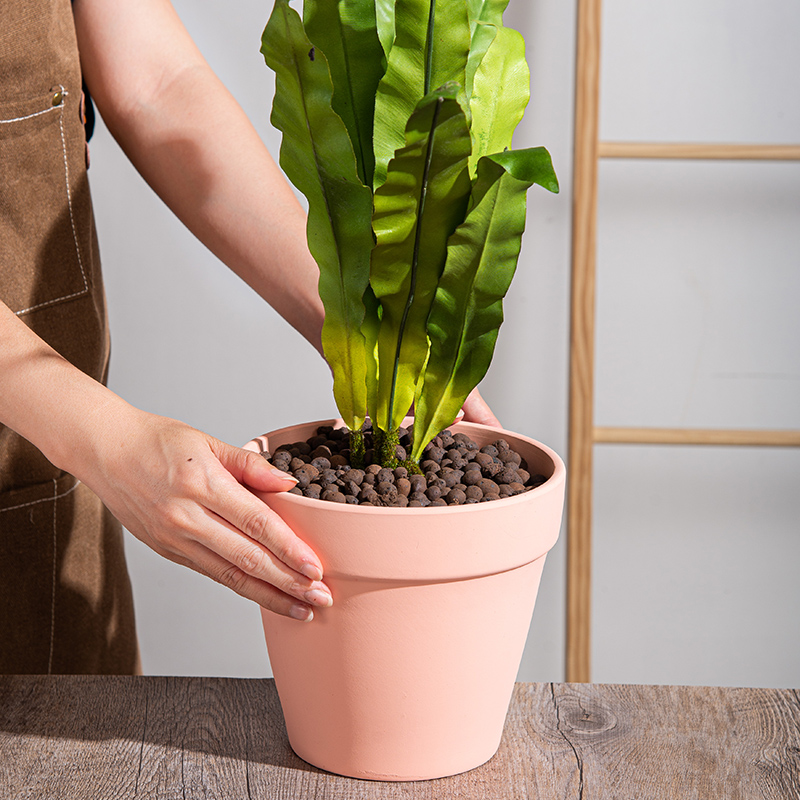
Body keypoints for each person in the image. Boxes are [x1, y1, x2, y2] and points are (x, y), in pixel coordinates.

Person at [0, 0, 500, 675]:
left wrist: (356, 324)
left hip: (44, 475)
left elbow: (155, 79)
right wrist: (107, 438)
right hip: (74, 432)